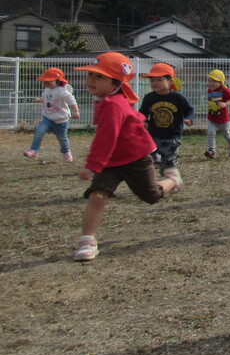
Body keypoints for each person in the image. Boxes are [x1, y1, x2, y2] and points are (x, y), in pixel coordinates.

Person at [71, 53, 181, 262]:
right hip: (111, 162)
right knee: (97, 195)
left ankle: (172, 180)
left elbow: (107, 137)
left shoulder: (113, 104)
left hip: (135, 158)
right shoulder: (108, 100)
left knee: (151, 196)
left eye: (99, 76)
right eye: (90, 75)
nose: (91, 80)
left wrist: (92, 165)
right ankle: (87, 241)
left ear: (116, 83)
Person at [138, 63, 194, 178]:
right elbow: (142, 112)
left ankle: (171, 179)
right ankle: (159, 166)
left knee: (169, 163)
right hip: (154, 135)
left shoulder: (178, 98)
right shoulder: (149, 97)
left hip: (172, 135)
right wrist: (143, 121)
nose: (155, 83)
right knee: (151, 159)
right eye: (152, 80)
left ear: (170, 81)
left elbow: (189, 109)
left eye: (159, 80)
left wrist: (188, 118)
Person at [23, 67, 80, 162]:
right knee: (39, 132)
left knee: (62, 139)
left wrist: (76, 111)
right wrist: (41, 100)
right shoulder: (47, 90)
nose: (46, 83)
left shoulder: (62, 91)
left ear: (57, 81)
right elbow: (47, 99)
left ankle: (66, 151)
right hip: (47, 118)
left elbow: (72, 101)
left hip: (61, 121)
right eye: (45, 81)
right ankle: (34, 151)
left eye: (49, 81)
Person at [205, 69, 230, 159]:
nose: (211, 83)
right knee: (211, 133)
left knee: (226, 134)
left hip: (223, 119)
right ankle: (212, 151)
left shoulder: (225, 90)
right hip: (212, 117)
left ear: (220, 83)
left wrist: (225, 104)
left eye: (214, 81)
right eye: (209, 80)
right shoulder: (210, 90)